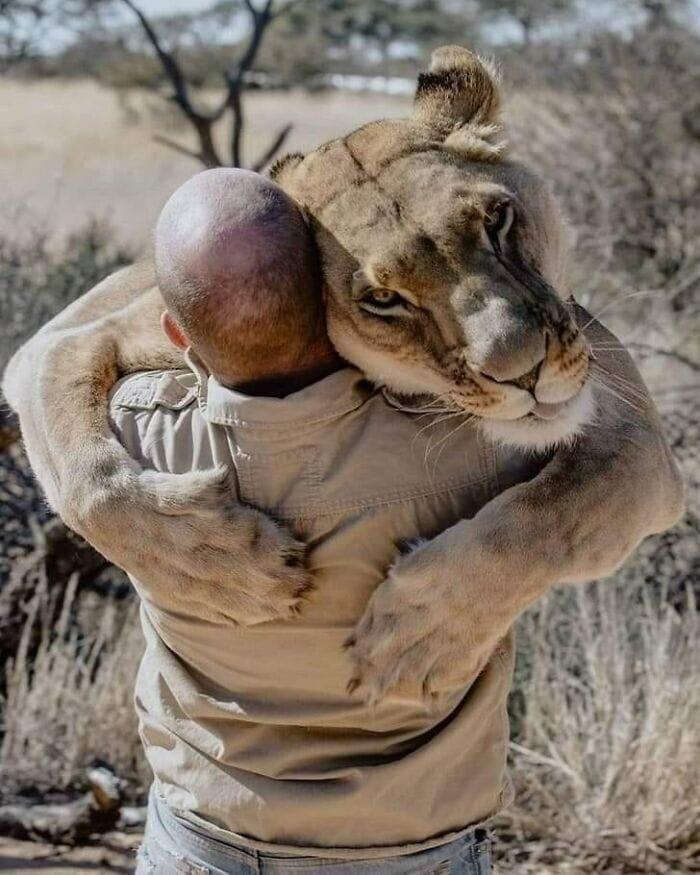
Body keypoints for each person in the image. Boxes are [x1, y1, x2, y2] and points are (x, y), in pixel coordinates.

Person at [111, 168, 542, 874]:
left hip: (202, 845)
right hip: (414, 854)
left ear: (174, 332)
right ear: (333, 293)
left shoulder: (135, 435)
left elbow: (71, 358)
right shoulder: (471, 446)